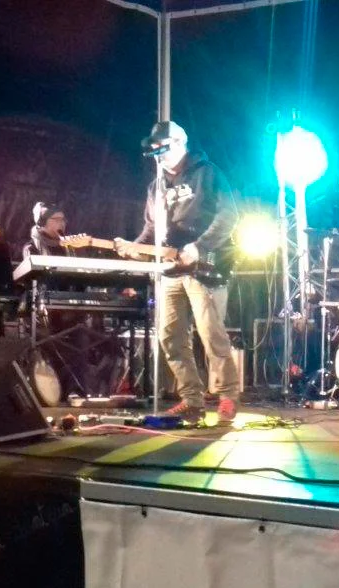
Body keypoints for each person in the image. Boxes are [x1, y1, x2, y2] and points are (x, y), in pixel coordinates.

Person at [118, 120, 239, 423]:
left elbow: (229, 216)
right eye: (154, 150)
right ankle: (191, 400)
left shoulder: (207, 173)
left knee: (211, 334)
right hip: (171, 271)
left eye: (162, 148)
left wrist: (199, 246)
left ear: (180, 143)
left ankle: (227, 396)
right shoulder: (156, 186)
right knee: (170, 336)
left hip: (206, 266)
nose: (158, 155)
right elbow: (152, 229)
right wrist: (134, 247)